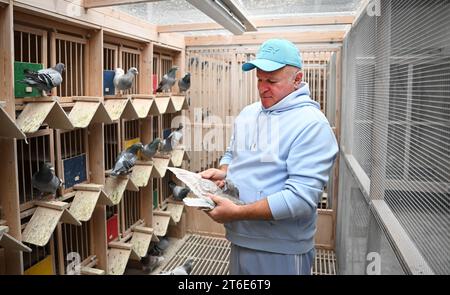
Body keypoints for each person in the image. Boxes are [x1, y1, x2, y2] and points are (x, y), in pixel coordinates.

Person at [199, 39, 339, 275]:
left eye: (272, 81)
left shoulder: (311, 125)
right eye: (259, 79)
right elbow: (233, 154)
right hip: (240, 239)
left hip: (281, 250)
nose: (262, 87)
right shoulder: (249, 113)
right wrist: (225, 173)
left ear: (297, 79)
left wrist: (237, 212)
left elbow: (300, 198)